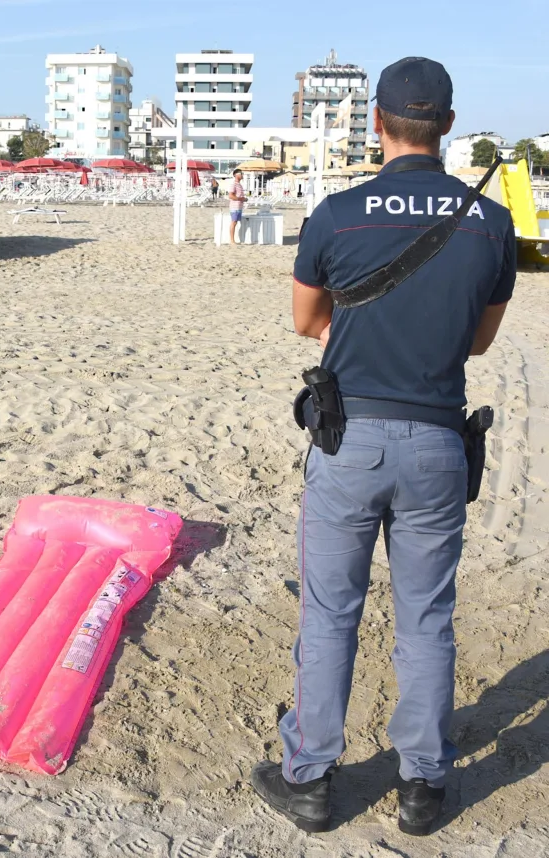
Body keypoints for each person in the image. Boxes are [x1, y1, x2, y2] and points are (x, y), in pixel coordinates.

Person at [251, 57, 517, 836]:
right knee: (426, 617)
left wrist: (361, 334)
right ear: (449, 125)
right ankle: (423, 786)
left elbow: (306, 320)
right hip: (437, 440)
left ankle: (309, 778)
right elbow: (477, 341)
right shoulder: (489, 219)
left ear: (377, 122)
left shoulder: (339, 212)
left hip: (351, 441)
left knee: (331, 613)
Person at [228, 169, 246, 244]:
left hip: (239, 206)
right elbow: (230, 195)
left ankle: (233, 240)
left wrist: (243, 199)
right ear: (236, 175)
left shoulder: (239, 185)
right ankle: (232, 240)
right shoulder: (234, 184)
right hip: (234, 207)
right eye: (241, 174)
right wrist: (240, 198)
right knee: (234, 222)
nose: (242, 175)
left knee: (235, 222)